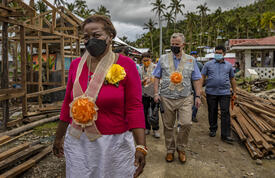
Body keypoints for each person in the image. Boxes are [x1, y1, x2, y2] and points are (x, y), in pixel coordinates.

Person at [53, 15, 146, 178]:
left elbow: (134, 107)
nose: (90, 41)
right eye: (86, 37)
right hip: (78, 142)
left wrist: (141, 146)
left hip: (114, 143)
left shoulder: (126, 65)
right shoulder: (76, 65)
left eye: (96, 36)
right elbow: (68, 102)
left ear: (110, 37)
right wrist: (58, 137)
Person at [153, 33, 202, 163]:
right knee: (168, 126)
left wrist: (198, 96)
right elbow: (156, 77)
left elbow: (196, 79)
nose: (174, 46)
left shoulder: (191, 60)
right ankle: (170, 150)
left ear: (183, 45)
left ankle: (181, 148)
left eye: (177, 44)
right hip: (166, 97)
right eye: (172, 44)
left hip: (185, 97)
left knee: (186, 123)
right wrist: (156, 93)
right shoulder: (163, 59)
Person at [201, 45, 237, 144]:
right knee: (212, 111)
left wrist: (235, 91)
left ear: (224, 54)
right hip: (211, 92)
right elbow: (202, 77)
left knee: (225, 112)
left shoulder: (229, 65)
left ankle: (225, 135)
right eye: (216, 53)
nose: (217, 54)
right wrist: (199, 89)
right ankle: (213, 129)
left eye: (219, 53)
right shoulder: (208, 64)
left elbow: (232, 79)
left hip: (225, 93)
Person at [141, 52, 160, 138]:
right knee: (145, 111)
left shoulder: (155, 67)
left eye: (147, 60)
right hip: (144, 93)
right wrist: (143, 81)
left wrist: (151, 80)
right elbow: (138, 80)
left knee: (154, 111)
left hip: (153, 92)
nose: (146, 62)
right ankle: (147, 128)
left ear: (150, 59)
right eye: (144, 60)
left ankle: (156, 129)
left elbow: (159, 78)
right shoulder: (140, 69)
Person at [190, 51, 203, 122]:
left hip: (196, 84)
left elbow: (202, 75)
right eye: (192, 55)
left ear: (196, 56)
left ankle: (193, 115)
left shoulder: (200, 65)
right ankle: (188, 114)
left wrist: (201, 85)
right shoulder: (187, 63)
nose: (193, 56)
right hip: (188, 84)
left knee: (197, 98)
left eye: (194, 55)